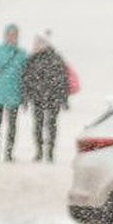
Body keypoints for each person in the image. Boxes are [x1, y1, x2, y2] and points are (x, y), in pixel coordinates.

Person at [22, 34, 69, 163]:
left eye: (39, 43)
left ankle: (49, 152)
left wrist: (64, 99)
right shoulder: (32, 60)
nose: (36, 46)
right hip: (39, 98)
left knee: (50, 126)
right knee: (39, 125)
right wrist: (25, 98)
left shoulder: (55, 58)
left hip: (52, 97)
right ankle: (40, 151)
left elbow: (63, 79)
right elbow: (26, 80)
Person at [0, 24, 27, 162]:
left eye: (14, 35)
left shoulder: (22, 54)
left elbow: (25, 76)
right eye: (10, 34)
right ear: (5, 35)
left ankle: (9, 152)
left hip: (14, 95)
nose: (12, 37)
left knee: (12, 126)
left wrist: (24, 95)